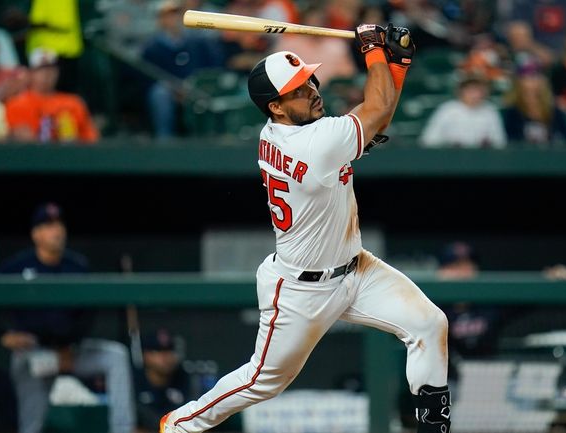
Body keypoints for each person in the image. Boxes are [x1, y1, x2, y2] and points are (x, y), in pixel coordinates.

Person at [161, 25, 451, 433]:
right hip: (301, 290)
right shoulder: (311, 142)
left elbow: (375, 119)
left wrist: (395, 65)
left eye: (309, 80)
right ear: (276, 107)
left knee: (429, 323)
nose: (312, 90)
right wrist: (373, 51)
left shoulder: (296, 133)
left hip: (356, 269)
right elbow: (378, 112)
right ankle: (179, 424)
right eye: (298, 89)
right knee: (262, 381)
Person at [0, 203, 135, 433]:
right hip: (35, 351)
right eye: (48, 225)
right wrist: (3, 334)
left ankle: (123, 429)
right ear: (36, 234)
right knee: (30, 419)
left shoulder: (77, 265)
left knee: (116, 356)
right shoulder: (17, 266)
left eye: (59, 224)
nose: (57, 230)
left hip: (72, 351)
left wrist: (70, 346)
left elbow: (88, 313)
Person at [140, 0, 224, 138]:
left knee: (212, 90)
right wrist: (175, 88)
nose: (172, 19)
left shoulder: (197, 42)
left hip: (195, 85)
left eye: (176, 14)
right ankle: (164, 140)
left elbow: (213, 66)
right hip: (169, 89)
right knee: (159, 94)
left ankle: (212, 139)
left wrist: (192, 84)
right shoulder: (152, 47)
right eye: (167, 15)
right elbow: (148, 77)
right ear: (160, 19)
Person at [4, 48, 99, 143]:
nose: (47, 73)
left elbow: (91, 139)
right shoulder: (16, 103)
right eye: (41, 69)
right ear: (30, 72)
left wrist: (71, 138)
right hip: (32, 155)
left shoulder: (73, 102)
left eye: (51, 68)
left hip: (69, 154)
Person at [419, 72, 507, 148]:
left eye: (478, 90)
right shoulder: (448, 110)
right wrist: (449, 144)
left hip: (482, 161)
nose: (474, 94)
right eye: (470, 89)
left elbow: (500, 142)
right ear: (461, 91)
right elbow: (428, 140)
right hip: (449, 160)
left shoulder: (490, 111)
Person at [502, 60, 566, 146]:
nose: (532, 81)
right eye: (527, 76)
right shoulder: (512, 113)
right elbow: (509, 142)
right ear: (519, 81)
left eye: (535, 76)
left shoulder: (554, 112)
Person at [135, 329, 191, 433]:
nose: (166, 357)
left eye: (169, 351)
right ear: (146, 355)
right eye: (159, 351)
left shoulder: (183, 377)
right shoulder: (134, 380)